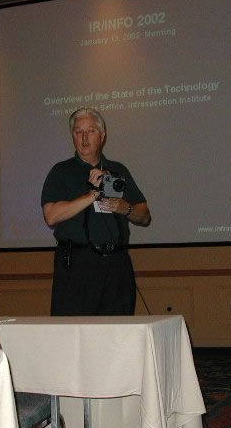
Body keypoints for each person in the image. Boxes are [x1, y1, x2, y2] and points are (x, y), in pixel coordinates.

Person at [41, 107, 151, 315]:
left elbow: (144, 215)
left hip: (116, 264)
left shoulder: (118, 171)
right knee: (74, 330)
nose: (84, 138)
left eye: (90, 131)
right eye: (78, 132)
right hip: (76, 265)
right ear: (72, 136)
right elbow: (51, 216)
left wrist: (125, 208)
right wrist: (93, 195)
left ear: (102, 135)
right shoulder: (61, 171)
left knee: (117, 330)